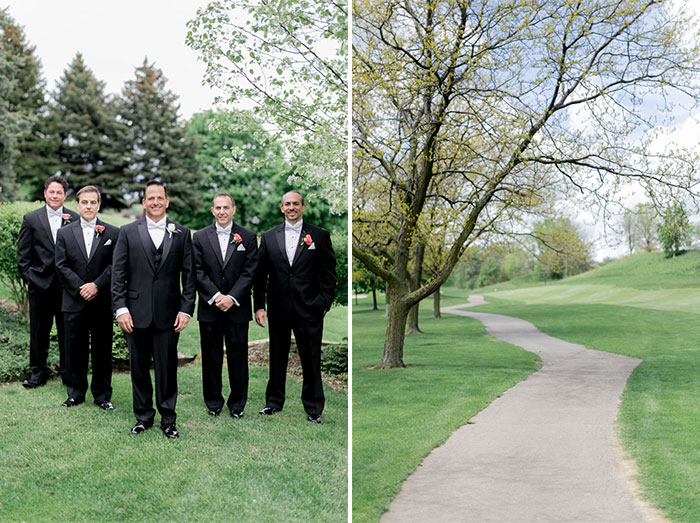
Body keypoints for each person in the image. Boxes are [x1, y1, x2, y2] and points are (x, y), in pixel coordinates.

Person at [111, 180, 195, 438]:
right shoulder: (127, 232)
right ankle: (143, 416)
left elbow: (189, 277)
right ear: (144, 202)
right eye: (151, 198)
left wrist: (186, 310)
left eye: (160, 197)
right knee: (138, 368)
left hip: (170, 315)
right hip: (135, 314)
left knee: (168, 369)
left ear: (167, 201)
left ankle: (169, 420)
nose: (156, 202)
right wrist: (121, 309)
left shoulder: (182, 233)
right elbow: (118, 274)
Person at [254, 190, 336, 423]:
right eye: (287, 204)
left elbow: (328, 275)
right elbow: (260, 276)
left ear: (303, 207)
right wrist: (259, 306)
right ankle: (273, 403)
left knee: (310, 359)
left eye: (295, 204)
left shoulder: (319, 236)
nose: (291, 207)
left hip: (309, 309)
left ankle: (313, 408)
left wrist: (322, 303)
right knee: (277, 357)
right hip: (279, 308)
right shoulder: (269, 237)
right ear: (281, 208)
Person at [193, 194, 259, 419]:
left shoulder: (248, 237)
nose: (222, 212)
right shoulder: (200, 237)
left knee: (238, 357)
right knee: (211, 358)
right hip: (210, 308)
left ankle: (237, 404)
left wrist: (231, 297)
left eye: (226, 207)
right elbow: (197, 271)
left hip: (237, 308)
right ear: (212, 210)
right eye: (218, 208)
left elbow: (250, 271)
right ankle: (213, 402)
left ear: (234, 209)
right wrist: (215, 296)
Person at [55, 185, 118, 409]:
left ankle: (102, 396)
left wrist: (97, 286)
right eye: (85, 202)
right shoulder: (64, 233)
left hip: (101, 302)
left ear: (98, 205)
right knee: (74, 349)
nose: (89, 206)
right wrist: (81, 287)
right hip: (74, 300)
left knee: (102, 349)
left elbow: (115, 266)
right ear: (78, 205)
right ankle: (75, 393)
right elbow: (61, 265)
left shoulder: (112, 233)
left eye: (93, 202)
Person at [17, 175, 79, 388]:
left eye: (59, 192)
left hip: (67, 288)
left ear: (65, 195)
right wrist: (30, 279)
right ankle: (38, 373)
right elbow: (23, 256)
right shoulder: (31, 219)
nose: (55, 195)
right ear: (45, 193)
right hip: (40, 286)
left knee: (67, 333)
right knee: (39, 332)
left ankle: (68, 374)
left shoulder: (75, 218)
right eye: (51, 191)